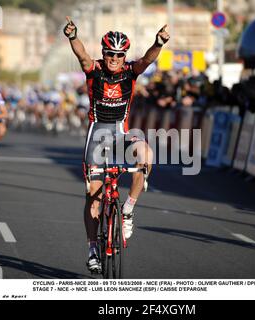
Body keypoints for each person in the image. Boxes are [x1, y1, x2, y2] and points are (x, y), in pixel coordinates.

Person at [63, 17, 169, 272]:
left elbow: (147, 60)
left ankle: (129, 208)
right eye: (110, 53)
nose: (114, 58)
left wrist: (158, 43)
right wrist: (72, 36)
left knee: (146, 153)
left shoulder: (130, 72)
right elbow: (82, 56)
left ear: (124, 56)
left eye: (119, 55)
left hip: (121, 135)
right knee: (94, 197)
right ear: (104, 53)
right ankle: (91, 249)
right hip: (96, 138)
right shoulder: (94, 69)